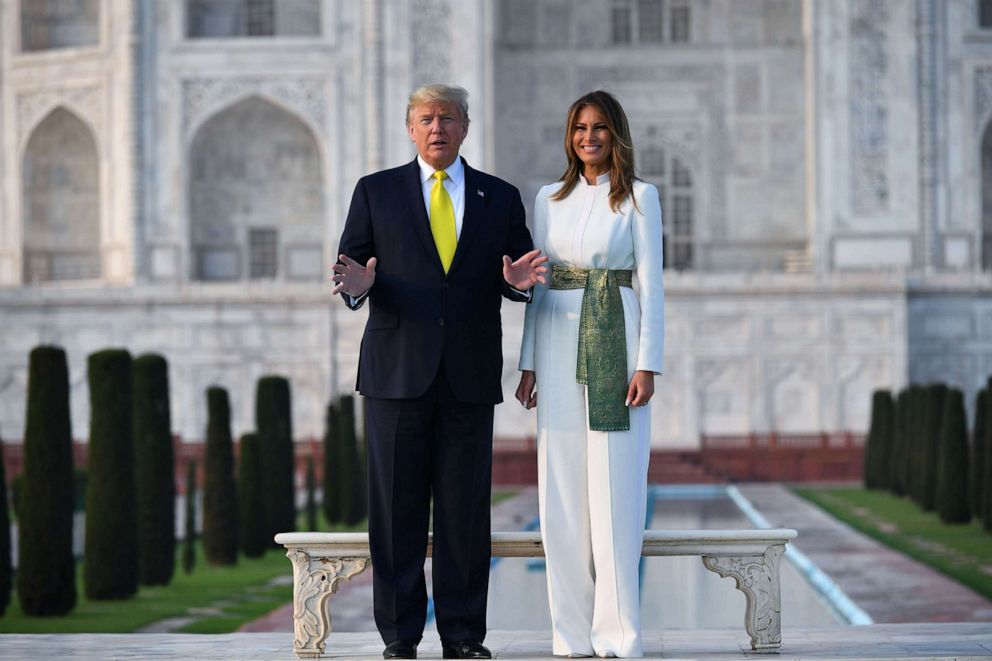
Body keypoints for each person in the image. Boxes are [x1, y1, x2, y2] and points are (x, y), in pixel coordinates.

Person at [333, 84, 548, 661]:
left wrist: (517, 285)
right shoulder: (376, 191)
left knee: (463, 514)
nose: (437, 128)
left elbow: (515, 270)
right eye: (426, 118)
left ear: (465, 127)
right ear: (410, 128)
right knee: (396, 512)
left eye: (447, 118)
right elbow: (353, 266)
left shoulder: (498, 197)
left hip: (469, 377)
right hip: (396, 372)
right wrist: (357, 290)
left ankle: (462, 636)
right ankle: (400, 636)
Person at [515, 90, 664, 659]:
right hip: (555, 339)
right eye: (580, 127)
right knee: (560, 492)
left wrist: (648, 362)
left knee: (616, 491)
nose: (589, 137)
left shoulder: (641, 199)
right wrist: (527, 362)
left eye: (600, 127)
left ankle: (619, 635)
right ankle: (570, 635)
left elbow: (651, 284)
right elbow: (538, 286)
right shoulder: (549, 198)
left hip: (616, 339)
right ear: (569, 135)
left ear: (616, 133)